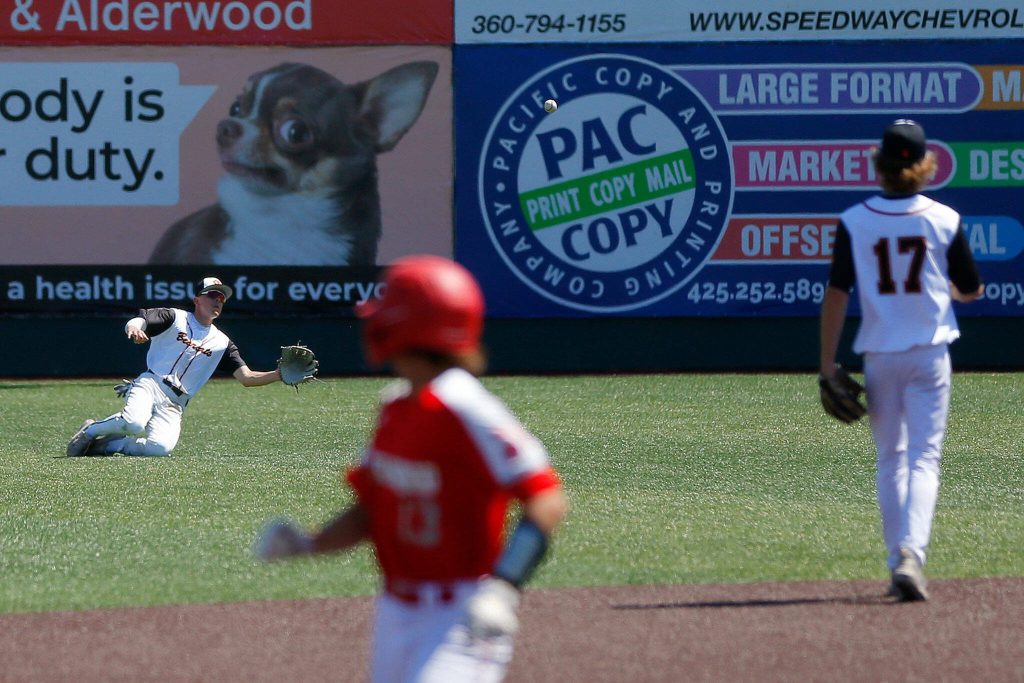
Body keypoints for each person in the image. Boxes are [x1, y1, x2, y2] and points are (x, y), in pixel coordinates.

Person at [253, 255, 569, 682]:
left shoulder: (467, 407)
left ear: (410, 328)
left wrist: (504, 586)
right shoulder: (395, 406)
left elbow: (546, 499)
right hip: (395, 613)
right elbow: (370, 512)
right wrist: (310, 543)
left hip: (464, 614)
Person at [819, 119, 983, 601]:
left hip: (880, 356)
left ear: (880, 164)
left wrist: (827, 364)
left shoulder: (856, 219)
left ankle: (898, 560)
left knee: (891, 458)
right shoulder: (944, 218)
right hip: (930, 354)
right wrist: (951, 290)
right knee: (924, 459)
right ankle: (914, 552)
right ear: (926, 165)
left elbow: (835, 295)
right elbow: (970, 288)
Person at [66, 277, 289, 457]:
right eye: (213, 294)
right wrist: (132, 329)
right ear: (197, 299)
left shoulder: (222, 342)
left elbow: (247, 377)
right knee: (134, 423)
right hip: (151, 383)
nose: (218, 300)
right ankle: (90, 430)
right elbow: (139, 320)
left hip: (176, 403)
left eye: (221, 297)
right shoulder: (175, 317)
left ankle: (105, 447)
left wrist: (279, 375)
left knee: (160, 449)